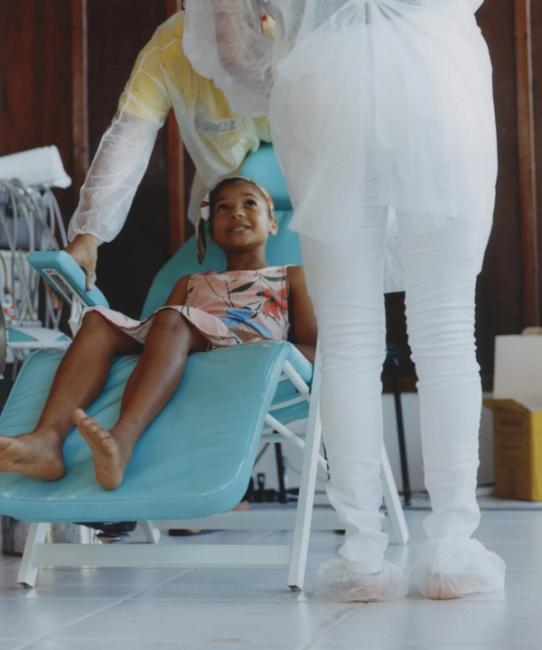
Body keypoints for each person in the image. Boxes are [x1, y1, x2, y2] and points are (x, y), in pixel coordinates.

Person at [182, 0, 506, 601]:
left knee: (349, 339)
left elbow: (226, 47)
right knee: (445, 329)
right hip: (440, 80)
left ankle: (362, 557)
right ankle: (451, 554)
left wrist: (294, 63)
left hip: (324, 91)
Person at [0, 177, 317, 491]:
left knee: (174, 319)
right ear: (209, 229)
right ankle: (46, 441)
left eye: (249, 203)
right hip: (184, 342)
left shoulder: (290, 277)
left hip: (247, 355)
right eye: (223, 207)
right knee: (97, 321)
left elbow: (316, 350)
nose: (236, 212)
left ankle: (122, 441)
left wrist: (272, 349)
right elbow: (161, 334)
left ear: (272, 223)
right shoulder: (190, 282)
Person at [64, 9, 272, 291]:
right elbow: (128, 139)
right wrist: (88, 233)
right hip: (222, 187)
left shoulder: (293, 32)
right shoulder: (168, 49)